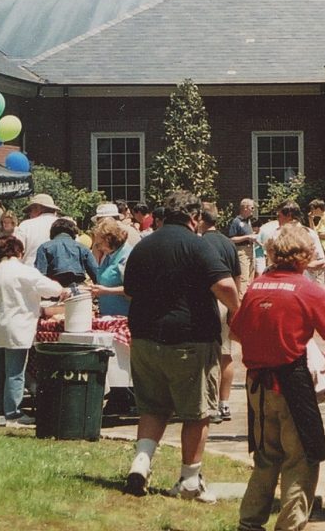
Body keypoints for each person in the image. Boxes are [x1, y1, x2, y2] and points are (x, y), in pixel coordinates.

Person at [232, 223, 325, 531]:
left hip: (257, 384)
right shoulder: (308, 290)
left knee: (266, 456)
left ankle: (249, 523)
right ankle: (289, 526)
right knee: (301, 457)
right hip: (292, 381)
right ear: (305, 256)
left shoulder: (256, 287)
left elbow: (236, 333)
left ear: (273, 253)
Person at [122, 191, 240, 502]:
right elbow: (225, 285)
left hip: (144, 338)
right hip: (190, 339)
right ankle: (189, 480)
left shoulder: (144, 246)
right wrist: (237, 310)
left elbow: (130, 290)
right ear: (195, 217)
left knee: (152, 407)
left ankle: (140, 464)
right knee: (196, 412)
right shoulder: (197, 245)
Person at [0, 235, 66, 426]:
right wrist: (63, 290)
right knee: (15, 372)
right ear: (18, 251)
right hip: (18, 328)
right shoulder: (25, 272)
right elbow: (53, 289)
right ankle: (13, 413)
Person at [199, 202, 243, 424]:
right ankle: (224, 403)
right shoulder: (228, 243)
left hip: (205, 302)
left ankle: (208, 403)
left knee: (205, 356)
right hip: (227, 301)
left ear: (200, 219)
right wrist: (236, 306)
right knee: (226, 354)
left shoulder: (199, 243)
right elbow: (237, 276)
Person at [34, 217, 99, 287]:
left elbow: (40, 275)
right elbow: (96, 274)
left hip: (54, 288)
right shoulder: (82, 248)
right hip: (78, 288)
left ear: (52, 232)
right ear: (73, 233)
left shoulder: (44, 247)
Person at [88, 216, 134, 317]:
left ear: (109, 239)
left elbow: (133, 289)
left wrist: (106, 291)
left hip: (123, 317)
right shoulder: (109, 255)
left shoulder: (126, 256)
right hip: (108, 316)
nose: (97, 248)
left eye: (99, 244)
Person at [14, 192, 61, 266]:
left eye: (30, 210)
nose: (29, 214)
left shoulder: (26, 225)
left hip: (30, 269)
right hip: (59, 270)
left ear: (38, 208)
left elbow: (15, 252)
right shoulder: (66, 225)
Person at [227, 198, 258, 291]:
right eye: (252, 208)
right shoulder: (236, 221)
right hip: (242, 252)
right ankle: (241, 298)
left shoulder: (248, 221)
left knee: (250, 278)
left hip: (251, 250)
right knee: (243, 279)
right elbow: (232, 239)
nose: (253, 210)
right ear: (245, 208)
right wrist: (247, 237)